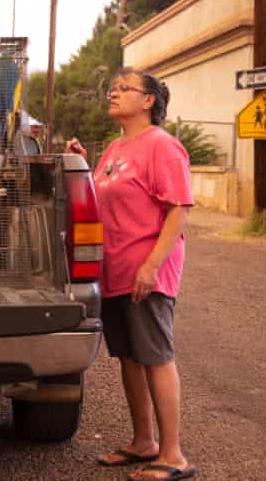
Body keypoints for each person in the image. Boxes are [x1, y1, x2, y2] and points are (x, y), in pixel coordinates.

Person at [67, 68, 196, 481]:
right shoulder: (115, 148)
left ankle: (173, 455)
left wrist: (152, 264)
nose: (114, 94)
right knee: (129, 357)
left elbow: (178, 208)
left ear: (149, 101)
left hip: (147, 269)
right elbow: (106, 194)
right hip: (116, 270)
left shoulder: (163, 146)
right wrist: (85, 164)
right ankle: (144, 441)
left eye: (125, 89)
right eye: (113, 88)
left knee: (156, 356)